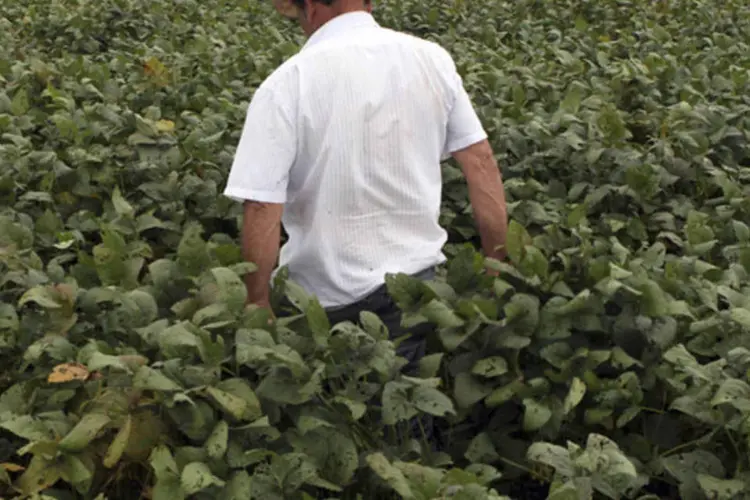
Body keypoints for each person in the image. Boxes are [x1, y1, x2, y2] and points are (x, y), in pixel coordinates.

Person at [223, 0, 508, 381]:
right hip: (422, 294)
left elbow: (261, 207)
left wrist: (257, 300)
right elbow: (481, 162)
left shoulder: (287, 84)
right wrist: (498, 264)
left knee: (348, 421)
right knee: (415, 417)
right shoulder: (430, 59)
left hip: (328, 307)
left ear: (309, 7)